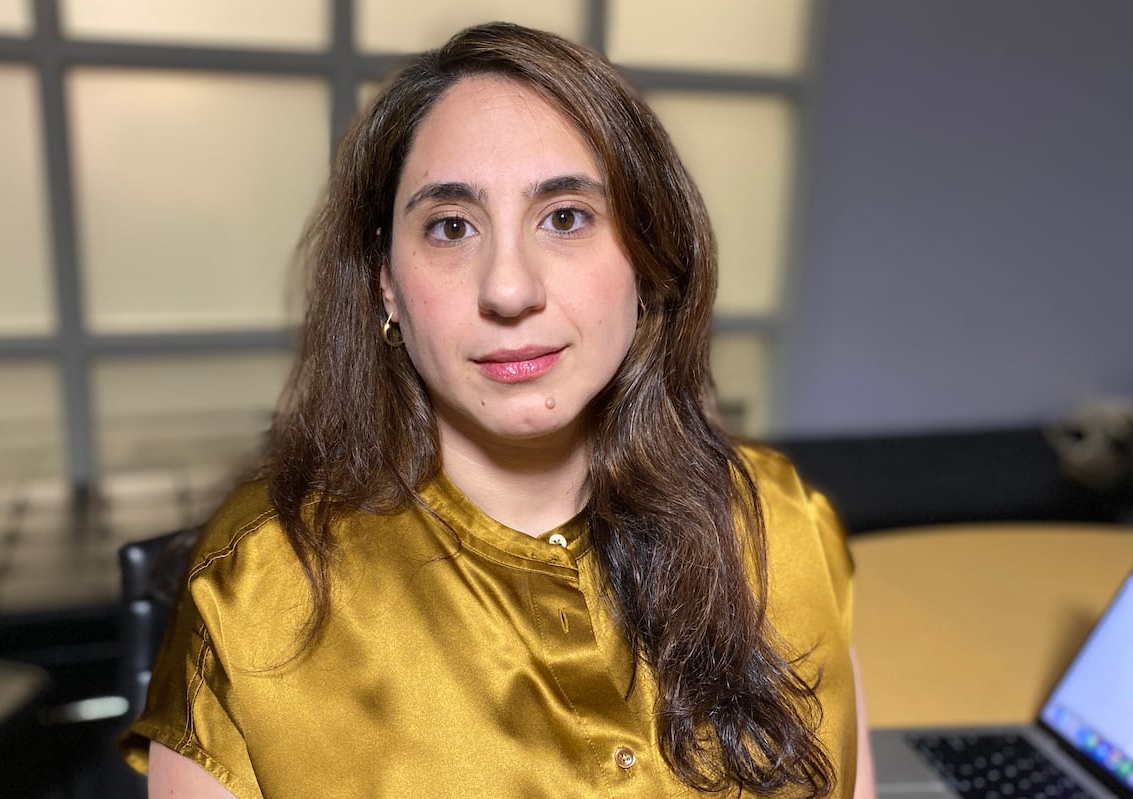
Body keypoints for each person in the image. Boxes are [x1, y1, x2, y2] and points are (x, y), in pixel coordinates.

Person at [122, 21, 873, 799]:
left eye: (566, 217)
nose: (509, 289)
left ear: (648, 256)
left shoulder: (783, 525)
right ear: (385, 279)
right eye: (451, 227)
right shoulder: (255, 585)